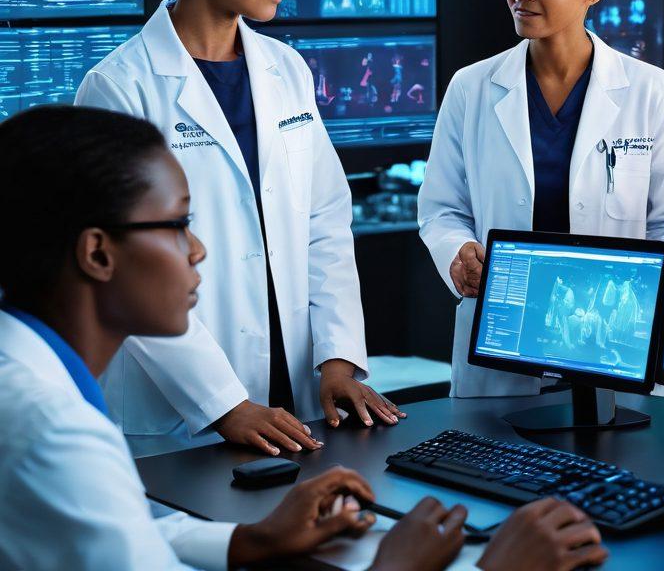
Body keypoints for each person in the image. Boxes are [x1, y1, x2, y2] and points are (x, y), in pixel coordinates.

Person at [0, 106, 608, 571]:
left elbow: (118, 534)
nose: (198, 248)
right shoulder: (53, 429)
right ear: (98, 252)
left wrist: (254, 537)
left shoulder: (24, 384)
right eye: (179, 223)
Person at [77, 0, 398, 457]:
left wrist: (336, 357)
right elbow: (125, 270)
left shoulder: (287, 70)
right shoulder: (120, 86)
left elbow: (323, 222)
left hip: (296, 394)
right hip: (184, 416)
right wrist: (223, 403)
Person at [419, 0, 664, 396]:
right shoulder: (472, 87)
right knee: (499, 464)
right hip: (503, 341)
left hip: (617, 340)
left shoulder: (651, 92)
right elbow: (442, 208)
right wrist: (457, 252)